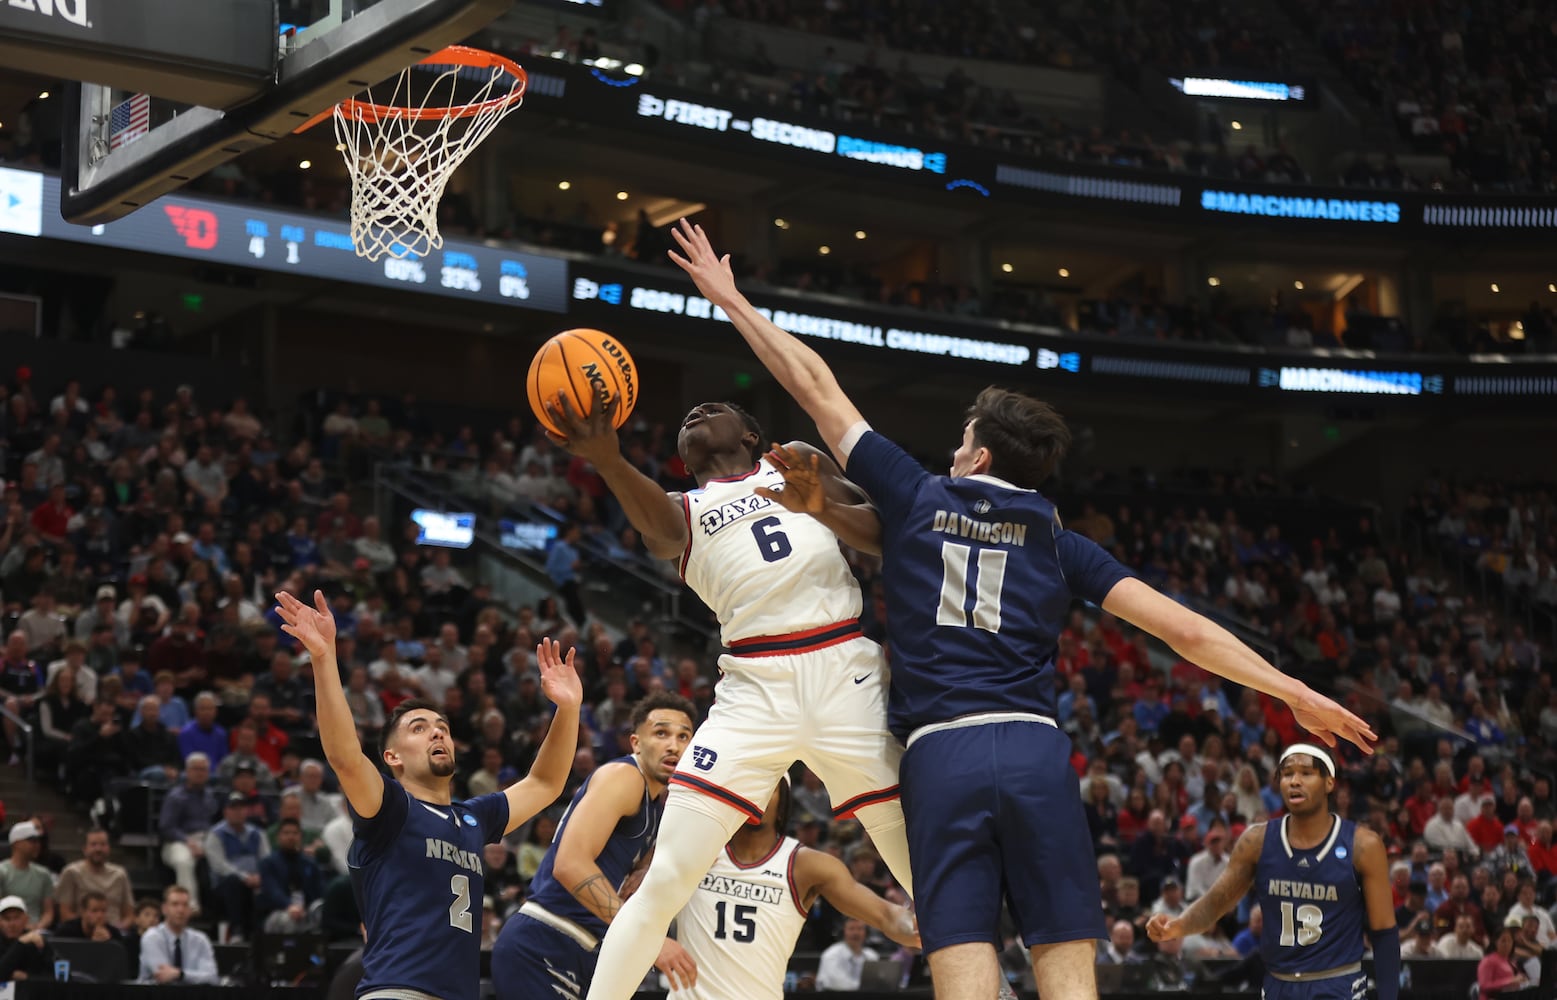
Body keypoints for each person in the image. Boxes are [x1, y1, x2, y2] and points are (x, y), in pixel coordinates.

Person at [662, 218, 1377, 1000]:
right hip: (1035, 753)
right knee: (1066, 970)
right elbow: (1186, 631)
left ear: (977, 456)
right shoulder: (1057, 539)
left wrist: (732, 301)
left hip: (940, 757)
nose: (951, 452)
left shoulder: (913, 492)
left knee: (962, 967)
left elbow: (814, 384)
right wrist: (1295, 693)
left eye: (960, 441)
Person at [544, 322, 920, 1000]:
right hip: (755, 687)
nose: (694, 414)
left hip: (846, 671)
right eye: (688, 419)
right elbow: (657, 535)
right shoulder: (681, 508)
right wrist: (606, 458)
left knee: (924, 867)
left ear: (750, 435)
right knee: (664, 880)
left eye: (710, 409)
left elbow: (887, 527)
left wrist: (821, 500)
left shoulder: (794, 458)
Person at [273, 589, 581, 1000]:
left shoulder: (474, 818)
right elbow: (345, 757)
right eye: (419, 727)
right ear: (392, 757)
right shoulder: (390, 809)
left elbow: (545, 784)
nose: (438, 731)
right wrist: (324, 658)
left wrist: (569, 709)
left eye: (443, 727)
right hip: (397, 992)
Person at [1148, 745, 1398, 1000]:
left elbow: (1384, 931)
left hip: (1338, 984)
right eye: (1287, 774)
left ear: (1329, 783)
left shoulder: (1363, 845)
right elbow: (1216, 903)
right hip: (1280, 985)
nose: (1295, 781)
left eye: (1306, 773)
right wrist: (1177, 925)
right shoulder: (1256, 841)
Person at [492, 691, 698, 1000]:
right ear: (636, 743)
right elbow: (570, 864)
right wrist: (648, 938)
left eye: (684, 737)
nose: (674, 745)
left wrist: (644, 867)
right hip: (546, 940)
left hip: (583, 949)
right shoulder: (624, 777)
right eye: (661, 733)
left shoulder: (656, 803)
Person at [669, 779, 919, 1000]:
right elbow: (634, 900)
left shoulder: (806, 865)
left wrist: (923, 928)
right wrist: (659, 943)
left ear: (783, 801)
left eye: (768, 787)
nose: (758, 794)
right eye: (750, 784)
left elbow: (886, 916)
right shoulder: (696, 849)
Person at [55, 829, 135, 929]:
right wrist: (88, 928)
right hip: (81, 934)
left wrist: (117, 930)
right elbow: (65, 913)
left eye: (103, 844)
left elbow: (129, 915)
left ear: (109, 848)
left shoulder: (120, 875)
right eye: (93, 844)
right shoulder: (71, 872)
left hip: (115, 933)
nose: (98, 849)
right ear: (84, 849)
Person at [138, 885, 218, 984]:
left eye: (185, 905)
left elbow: (212, 977)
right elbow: (163, 976)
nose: (180, 910)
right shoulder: (151, 937)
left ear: (190, 910)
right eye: (175, 904)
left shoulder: (200, 940)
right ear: (164, 909)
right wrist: (193, 977)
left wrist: (180, 974)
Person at [0, 821, 55, 929]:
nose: (37, 845)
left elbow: (48, 912)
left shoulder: (43, 874)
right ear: (16, 843)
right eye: (32, 841)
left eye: (38, 841)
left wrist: (39, 926)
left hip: (37, 930)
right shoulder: (2, 871)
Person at [52, 889, 132, 956]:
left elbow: (119, 965)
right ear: (83, 912)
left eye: (103, 911)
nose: (100, 915)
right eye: (94, 911)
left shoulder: (114, 935)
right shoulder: (66, 932)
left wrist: (108, 945)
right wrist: (92, 946)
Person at [0, 894, 53, 981]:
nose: (12, 924)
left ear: (26, 919)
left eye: (16, 918)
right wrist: (20, 943)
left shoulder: (36, 941)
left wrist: (28, 978)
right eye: (7, 919)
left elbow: (59, 977)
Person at [1478, 925, 1536, 999]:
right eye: (1503, 941)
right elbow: (1484, 986)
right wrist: (1510, 981)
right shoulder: (1488, 961)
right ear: (1496, 942)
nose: (1507, 944)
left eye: (1509, 941)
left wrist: (1522, 979)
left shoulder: (1511, 961)